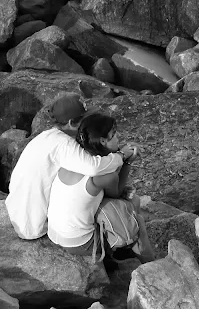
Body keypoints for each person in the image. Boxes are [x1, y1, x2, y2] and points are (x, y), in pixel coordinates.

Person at [6, 94, 134, 240]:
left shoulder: (48, 136)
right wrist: (121, 156)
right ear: (72, 123)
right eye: (86, 119)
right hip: (33, 224)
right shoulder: (64, 144)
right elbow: (94, 167)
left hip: (19, 211)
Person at [46, 112, 155, 263]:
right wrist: (127, 161)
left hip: (55, 233)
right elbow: (116, 193)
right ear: (103, 141)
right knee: (135, 214)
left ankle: (126, 244)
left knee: (127, 203)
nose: (118, 136)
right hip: (79, 243)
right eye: (114, 134)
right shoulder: (105, 176)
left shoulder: (74, 159)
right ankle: (150, 265)